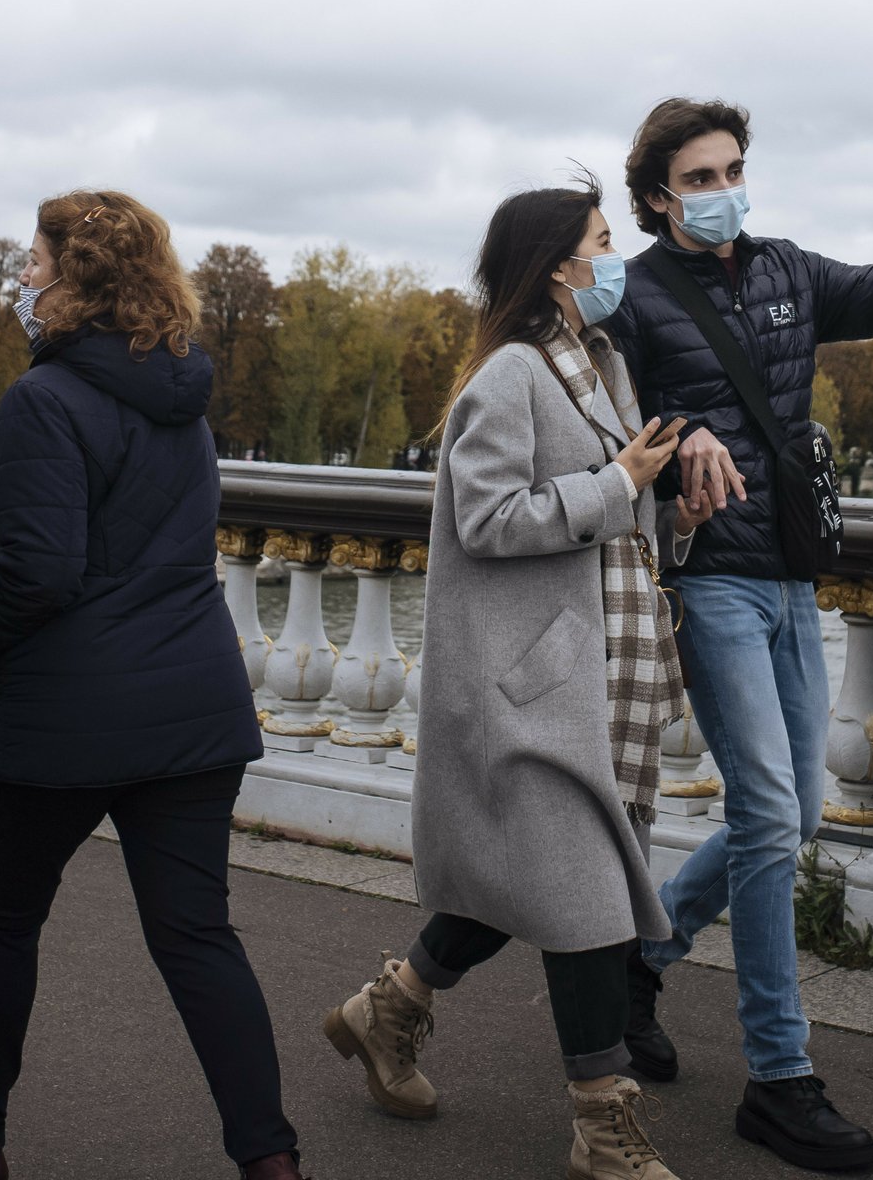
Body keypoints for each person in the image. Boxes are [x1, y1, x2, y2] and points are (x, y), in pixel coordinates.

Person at [604, 97, 873, 1174]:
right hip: (709, 576)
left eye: (732, 168)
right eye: (699, 177)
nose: (722, 189)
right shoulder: (635, 296)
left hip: (792, 568)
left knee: (783, 816)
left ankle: (644, 956)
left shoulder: (787, 268)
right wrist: (682, 428)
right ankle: (780, 1076)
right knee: (768, 805)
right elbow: (611, 423)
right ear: (656, 195)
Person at [324, 180, 705, 1180]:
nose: (616, 257)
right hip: (526, 684)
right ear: (557, 267)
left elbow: (609, 506)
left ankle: (390, 1006)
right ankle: (602, 1122)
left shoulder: (601, 362)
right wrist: (620, 481)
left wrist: (665, 506)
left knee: (528, 876)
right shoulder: (505, 378)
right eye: (603, 241)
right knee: (584, 899)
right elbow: (492, 520)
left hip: (591, 666)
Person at [0, 191, 302, 1180]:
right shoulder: (183, 395)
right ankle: (271, 1157)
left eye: (34, 257)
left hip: (63, 714)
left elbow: (39, 574)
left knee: (2, 923)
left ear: (73, 276)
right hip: (189, 701)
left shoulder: (43, 399)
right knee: (197, 938)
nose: (23, 274)